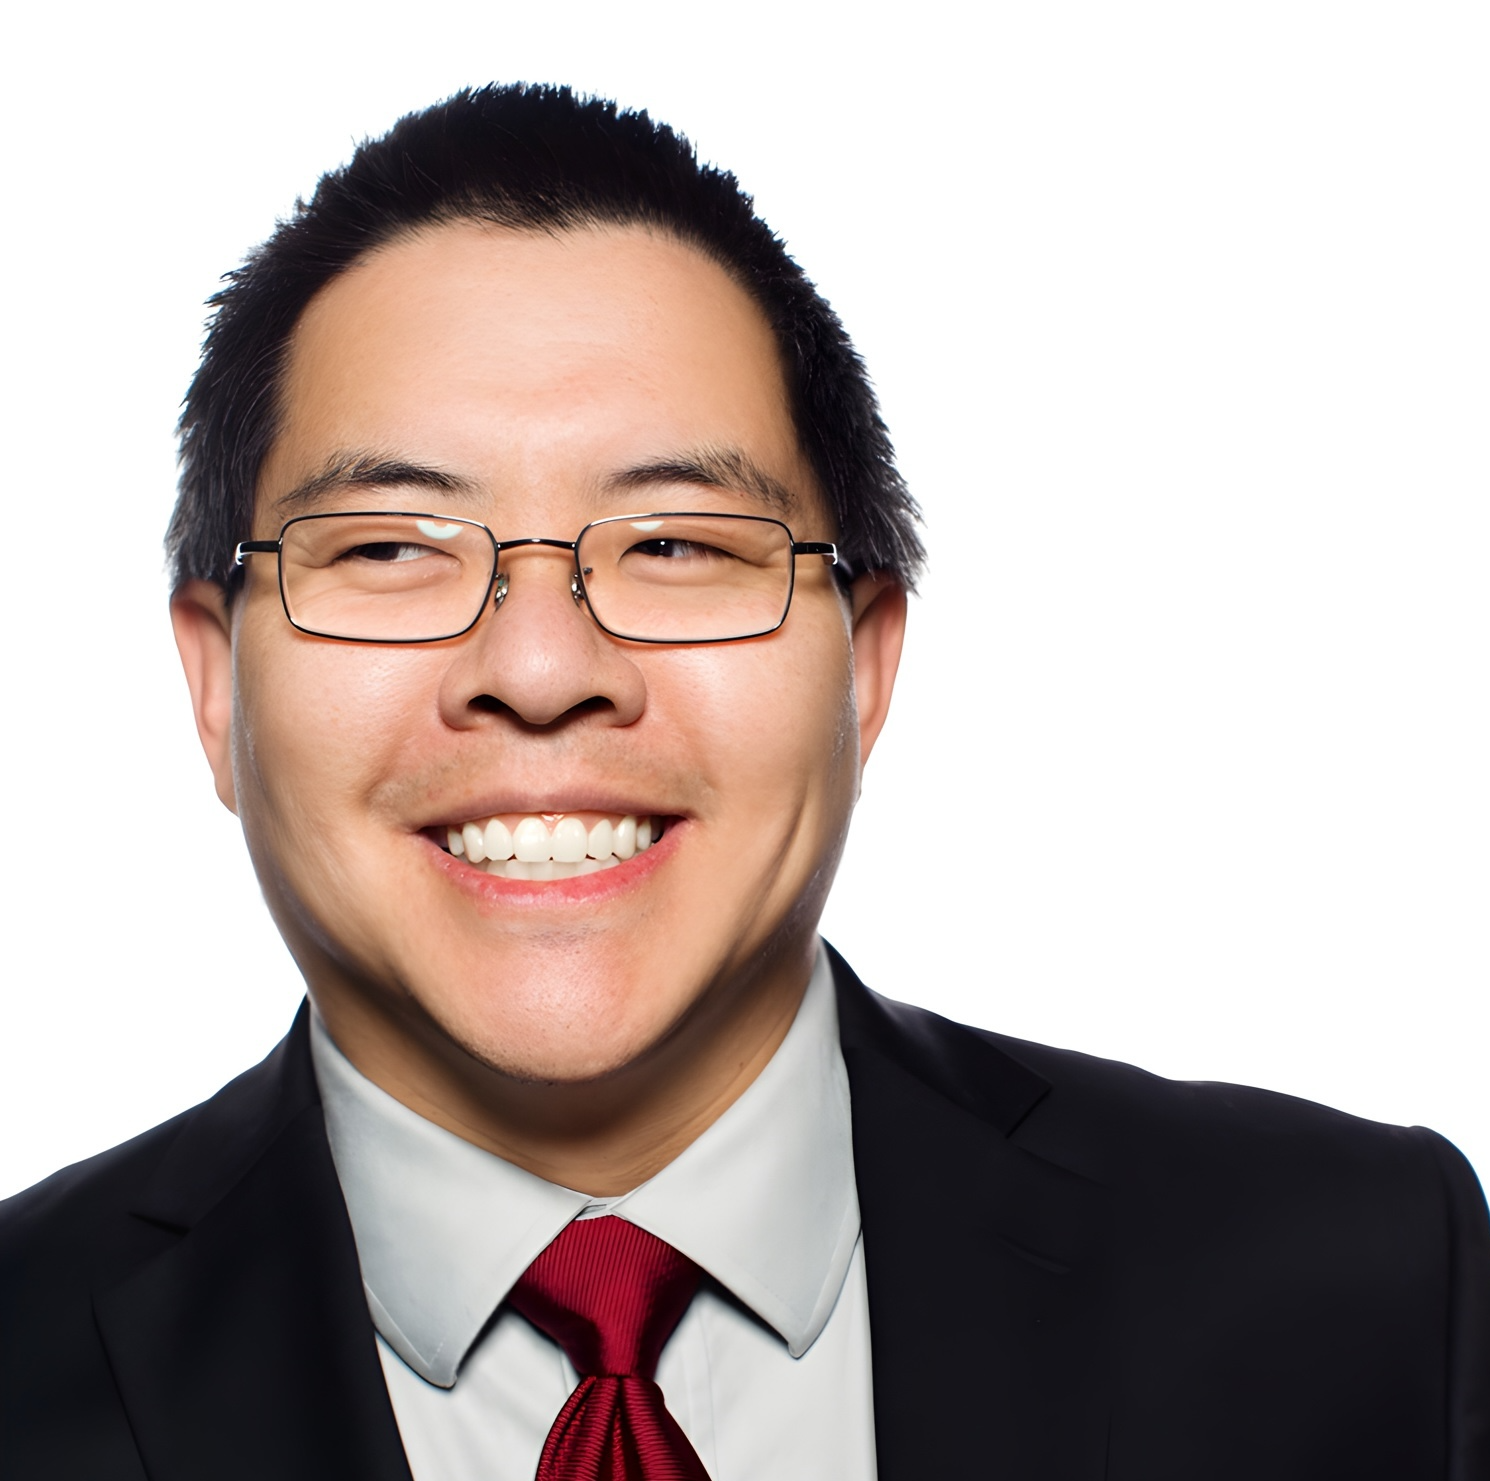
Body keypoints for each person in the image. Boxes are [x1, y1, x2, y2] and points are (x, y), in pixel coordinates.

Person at [1, 83, 1485, 1481]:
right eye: (390, 547)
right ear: (216, 683)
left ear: (866, 665)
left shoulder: (1359, 1291)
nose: (539, 667)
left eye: (674, 544)